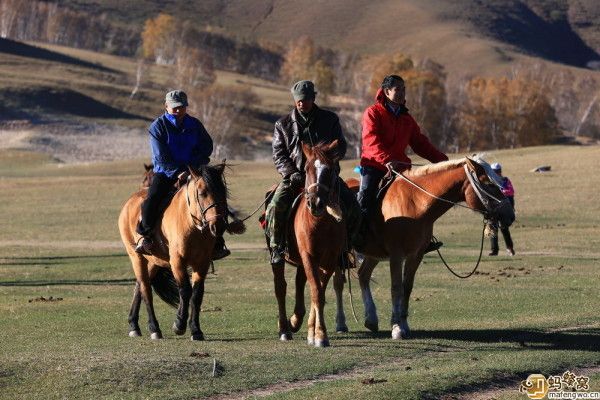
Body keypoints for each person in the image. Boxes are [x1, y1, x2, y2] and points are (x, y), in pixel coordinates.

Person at [266, 80, 361, 266]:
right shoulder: (282, 124)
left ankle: (345, 250)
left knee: (354, 208)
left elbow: (341, 146)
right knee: (275, 206)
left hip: (326, 178)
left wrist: (329, 158)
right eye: (298, 100)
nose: (302, 103)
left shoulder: (330, 119)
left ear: (313, 98)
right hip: (295, 178)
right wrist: (291, 172)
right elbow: (279, 154)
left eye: (306, 99)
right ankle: (277, 248)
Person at [135, 89, 230, 260]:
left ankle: (217, 240)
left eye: (182, 107)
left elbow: (207, 146)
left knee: (214, 194)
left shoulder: (194, 124)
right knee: (152, 199)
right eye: (175, 108)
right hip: (166, 173)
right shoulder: (158, 127)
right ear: (166, 106)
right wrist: (178, 172)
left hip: (194, 170)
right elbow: (160, 157)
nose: (179, 111)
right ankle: (145, 237)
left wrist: (194, 165)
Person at [358, 74, 448, 252]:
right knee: (365, 197)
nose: (402, 93)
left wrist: (443, 162)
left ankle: (423, 238)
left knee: (420, 199)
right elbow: (371, 141)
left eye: (404, 89)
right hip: (374, 166)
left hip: (400, 168)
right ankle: (358, 239)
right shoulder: (372, 113)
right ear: (387, 91)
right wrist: (386, 160)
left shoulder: (407, 119)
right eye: (398, 89)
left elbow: (420, 144)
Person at [488, 162, 515, 256]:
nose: (497, 173)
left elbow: (511, 192)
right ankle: (494, 250)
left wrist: (501, 192)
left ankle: (510, 248)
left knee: (504, 229)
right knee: (493, 229)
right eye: (495, 171)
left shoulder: (505, 180)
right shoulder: (489, 182)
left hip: (504, 209)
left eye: (498, 171)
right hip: (493, 209)